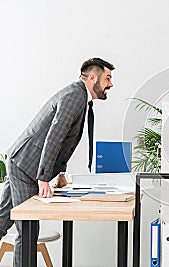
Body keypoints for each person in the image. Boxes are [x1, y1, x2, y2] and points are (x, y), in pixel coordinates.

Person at [0, 57, 115, 266]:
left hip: (24, 162)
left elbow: (63, 142)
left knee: (2, 220)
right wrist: (44, 178)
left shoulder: (79, 96)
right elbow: (54, 137)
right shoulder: (74, 97)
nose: (110, 84)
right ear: (92, 78)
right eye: (107, 78)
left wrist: (59, 173)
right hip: (26, 166)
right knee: (28, 230)